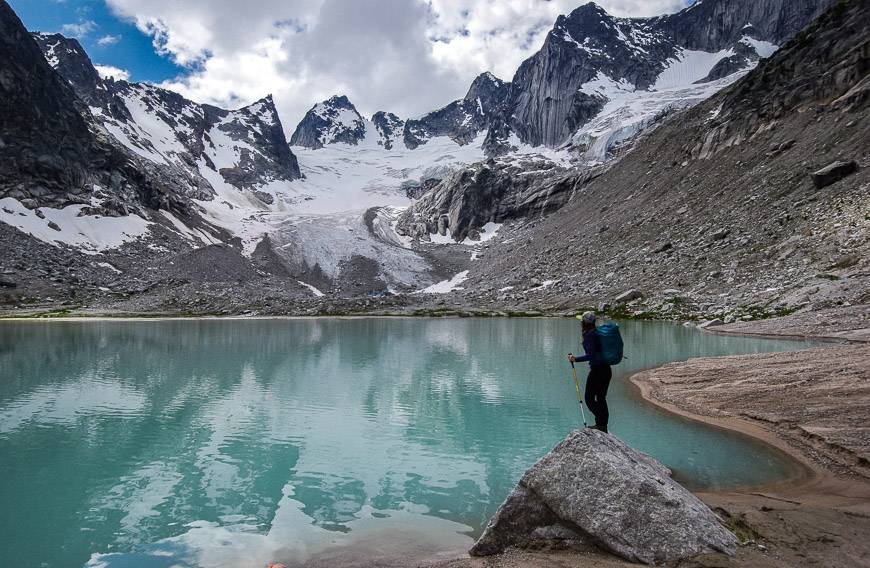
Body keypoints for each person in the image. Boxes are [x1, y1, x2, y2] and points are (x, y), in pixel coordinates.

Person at [568, 311, 612, 433]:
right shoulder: (597, 333)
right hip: (606, 369)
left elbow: (591, 355)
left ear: (584, 323)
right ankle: (603, 426)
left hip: (597, 370)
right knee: (601, 398)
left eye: (581, 321)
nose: (580, 323)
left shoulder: (589, 335)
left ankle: (601, 423)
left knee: (589, 398)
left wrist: (575, 359)